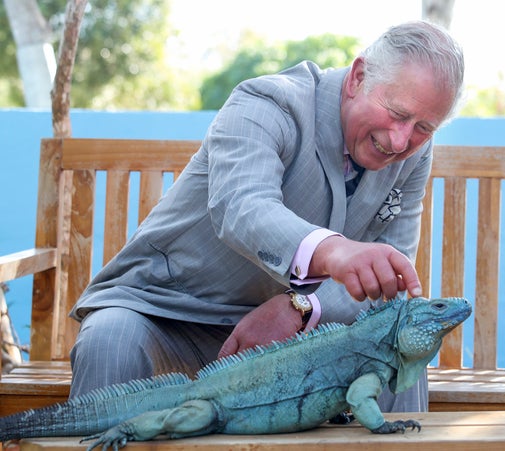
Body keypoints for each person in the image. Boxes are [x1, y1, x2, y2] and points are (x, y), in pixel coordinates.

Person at [69, 20, 465, 413]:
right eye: (396, 113)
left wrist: (301, 308)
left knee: (392, 355)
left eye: (423, 127)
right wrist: (334, 252)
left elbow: (386, 278)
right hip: (166, 313)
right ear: (357, 77)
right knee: (110, 340)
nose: (400, 140)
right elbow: (241, 206)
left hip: (292, 338)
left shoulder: (414, 153)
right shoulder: (266, 102)